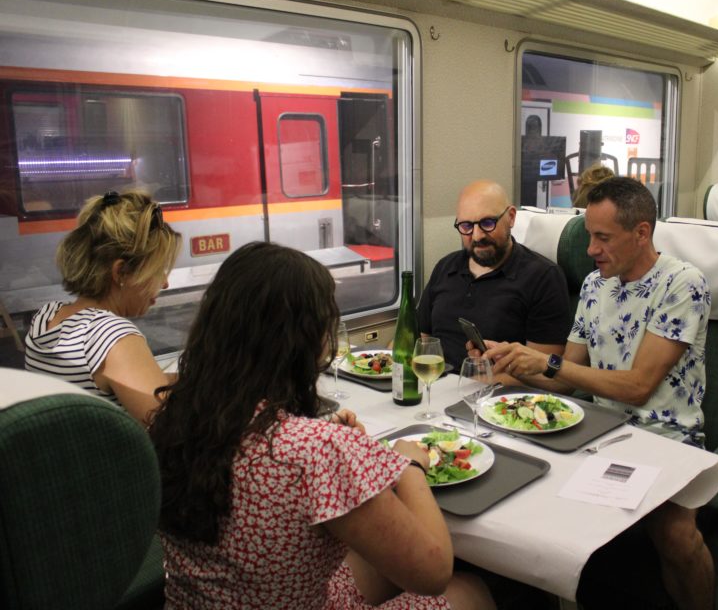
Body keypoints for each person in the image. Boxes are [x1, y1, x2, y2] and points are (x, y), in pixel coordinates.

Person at [149, 242, 493, 610]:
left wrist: (344, 456)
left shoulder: (174, 417)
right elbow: (434, 572)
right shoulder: (317, 450)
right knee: (468, 590)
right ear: (304, 341)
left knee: (371, 562)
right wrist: (409, 466)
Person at [483, 178, 714, 610]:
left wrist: (549, 364)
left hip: (669, 439)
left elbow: (638, 387)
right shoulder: (594, 285)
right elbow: (564, 382)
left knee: (676, 535)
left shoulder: (683, 284)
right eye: (589, 235)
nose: (591, 249)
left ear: (641, 233)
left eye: (602, 237)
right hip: (601, 434)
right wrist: (516, 360)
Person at [24, 190, 181, 425]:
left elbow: (139, 381)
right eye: (157, 271)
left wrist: (195, 380)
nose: (165, 282)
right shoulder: (110, 336)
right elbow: (171, 426)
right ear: (121, 273)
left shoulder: (46, 317)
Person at [417, 179, 569, 372]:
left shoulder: (543, 277)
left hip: (494, 395)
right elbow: (422, 339)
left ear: (511, 217)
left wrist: (470, 386)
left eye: (487, 223)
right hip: (435, 386)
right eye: (466, 226)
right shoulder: (446, 267)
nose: (477, 235)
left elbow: (544, 375)